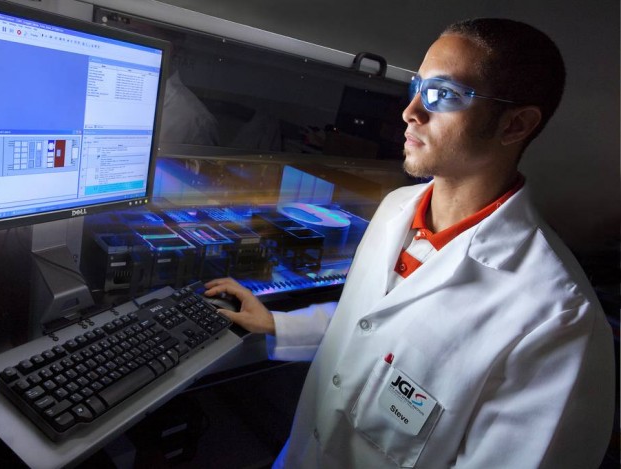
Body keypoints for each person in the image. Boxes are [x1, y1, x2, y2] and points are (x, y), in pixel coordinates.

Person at [204, 18, 615, 469]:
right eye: (417, 86)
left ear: (515, 125)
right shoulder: (396, 208)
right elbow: (369, 326)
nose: (411, 111)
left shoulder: (557, 319)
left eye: (445, 94)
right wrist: (279, 325)